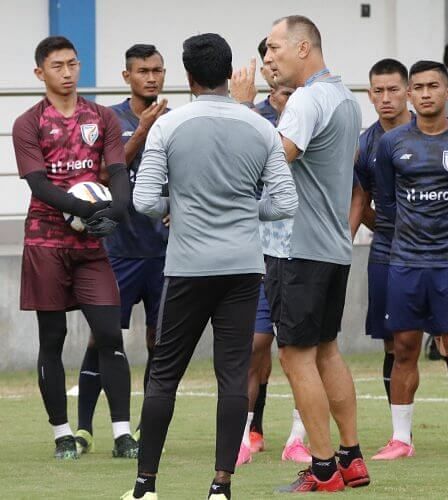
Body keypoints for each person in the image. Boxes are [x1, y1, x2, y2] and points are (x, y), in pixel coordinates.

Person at [122, 33, 297, 500]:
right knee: (234, 374)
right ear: (228, 74)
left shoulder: (168, 126)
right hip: (242, 266)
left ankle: (145, 486)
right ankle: (221, 486)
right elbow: (283, 202)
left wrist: (180, 202)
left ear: (188, 76)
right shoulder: (259, 127)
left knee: (165, 376)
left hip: (188, 265)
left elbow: (142, 201)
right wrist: (241, 208)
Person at [13, 35, 135, 461]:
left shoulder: (101, 117)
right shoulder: (27, 123)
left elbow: (118, 170)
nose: (67, 73)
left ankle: (123, 434)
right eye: (57, 66)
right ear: (40, 72)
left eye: (72, 64)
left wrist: (115, 210)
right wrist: (85, 207)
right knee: (53, 338)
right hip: (45, 243)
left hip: (91, 247)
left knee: (108, 335)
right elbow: (39, 184)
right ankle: (62, 433)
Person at [263, 15, 370, 492]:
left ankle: (324, 466)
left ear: (304, 48)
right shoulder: (345, 97)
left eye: (275, 48)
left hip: (297, 247)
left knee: (295, 356)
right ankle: (351, 457)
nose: (268, 59)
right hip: (330, 246)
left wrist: (244, 113)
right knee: (326, 350)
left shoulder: (306, 99)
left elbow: (270, 161)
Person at [370, 60, 448, 461]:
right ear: (410, 94)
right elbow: (385, 200)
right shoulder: (392, 143)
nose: (425, 93)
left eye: (433, 86)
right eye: (417, 87)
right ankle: (401, 439)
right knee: (403, 347)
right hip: (404, 261)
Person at [74, 43, 169, 454]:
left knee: (159, 341)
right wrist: (142, 131)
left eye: (158, 70)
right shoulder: (109, 119)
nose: (152, 77)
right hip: (118, 250)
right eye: (143, 71)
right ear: (127, 76)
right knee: (103, 338)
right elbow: (98, 175)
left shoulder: (176, 120)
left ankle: (145, 432)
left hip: (165, 253)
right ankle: (83, 429)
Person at [229, 37, 310, 466]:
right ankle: (243, 435)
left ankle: (299, 435)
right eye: (281, 93)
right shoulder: (252, 118)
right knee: (254, 344)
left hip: (303, 254)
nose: (287, 99)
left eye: (294, 94)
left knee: (298, 349)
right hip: (257, 255)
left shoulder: (314, 118)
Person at [352, 58, 413, 403]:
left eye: (393, 89)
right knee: (393, 341)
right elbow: (360, 202)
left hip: (438, 252)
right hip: (386, 251)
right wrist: (389, 228)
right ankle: (398, 431)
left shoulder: (433, 131)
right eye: (379, 91)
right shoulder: (364, 143)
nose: (386, 97)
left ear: (406, 91)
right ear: (370, 95)